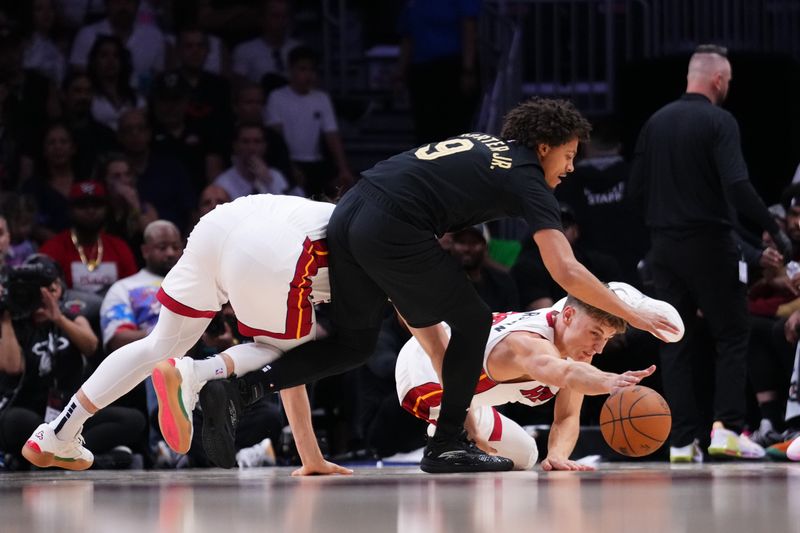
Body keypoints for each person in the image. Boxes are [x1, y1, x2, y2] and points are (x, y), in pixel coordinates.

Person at [202, 97, 680, 474]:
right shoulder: (529, 177)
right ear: (544, 146)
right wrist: (636, 316)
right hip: (394, 223)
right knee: (473, 319)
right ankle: (448, 443)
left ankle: (241, 391)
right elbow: (567, 272)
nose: (572, 166)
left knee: (354, 344)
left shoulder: (484, 144)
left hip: (352, 211)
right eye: (570, 154)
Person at [21, 194, 351, 476]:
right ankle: (193, 373)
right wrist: (310, 456)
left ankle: (58, 432)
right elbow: (293, 368)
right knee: (289, 354)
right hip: (267, 245)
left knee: (159, 345)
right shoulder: (360, 242)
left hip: (217, 225)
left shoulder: (322, 214)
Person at [628, 44, 793, 462]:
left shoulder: (655, 122)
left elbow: (635, 191)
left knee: (675, 342)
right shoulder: (720, 120)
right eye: (729, 81)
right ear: (718, 79)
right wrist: (773, 227)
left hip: (663, 248)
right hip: (713, 247)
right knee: (733, 335)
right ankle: (726, 430)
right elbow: (737, 185)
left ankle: (682, 441)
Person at [397, 283, 659, 470]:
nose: (599, 347)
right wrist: (607, 381)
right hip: (424, 372)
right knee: (471, 453)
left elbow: (567, 415)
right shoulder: (528, 343)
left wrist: (557, 456)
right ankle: (442, 436)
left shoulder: (578, 346)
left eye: (607, 339)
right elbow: (563, 372)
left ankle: (455, 434)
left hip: (470, 396)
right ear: (568, 315)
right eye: (595, 334)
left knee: (526, 454)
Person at [5, 254, 145, 470]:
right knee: (14, 420)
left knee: (133, 419)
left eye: (49, 290)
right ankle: (101, 461)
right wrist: (4, 317)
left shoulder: (72, 316)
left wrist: (58, 318)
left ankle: (64, 459)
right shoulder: (14, 321)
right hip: (33, 413)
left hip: (73, 415)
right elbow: (13, 367)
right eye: (36, 290)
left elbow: (91, 345)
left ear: (60, 289)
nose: (42, 298)